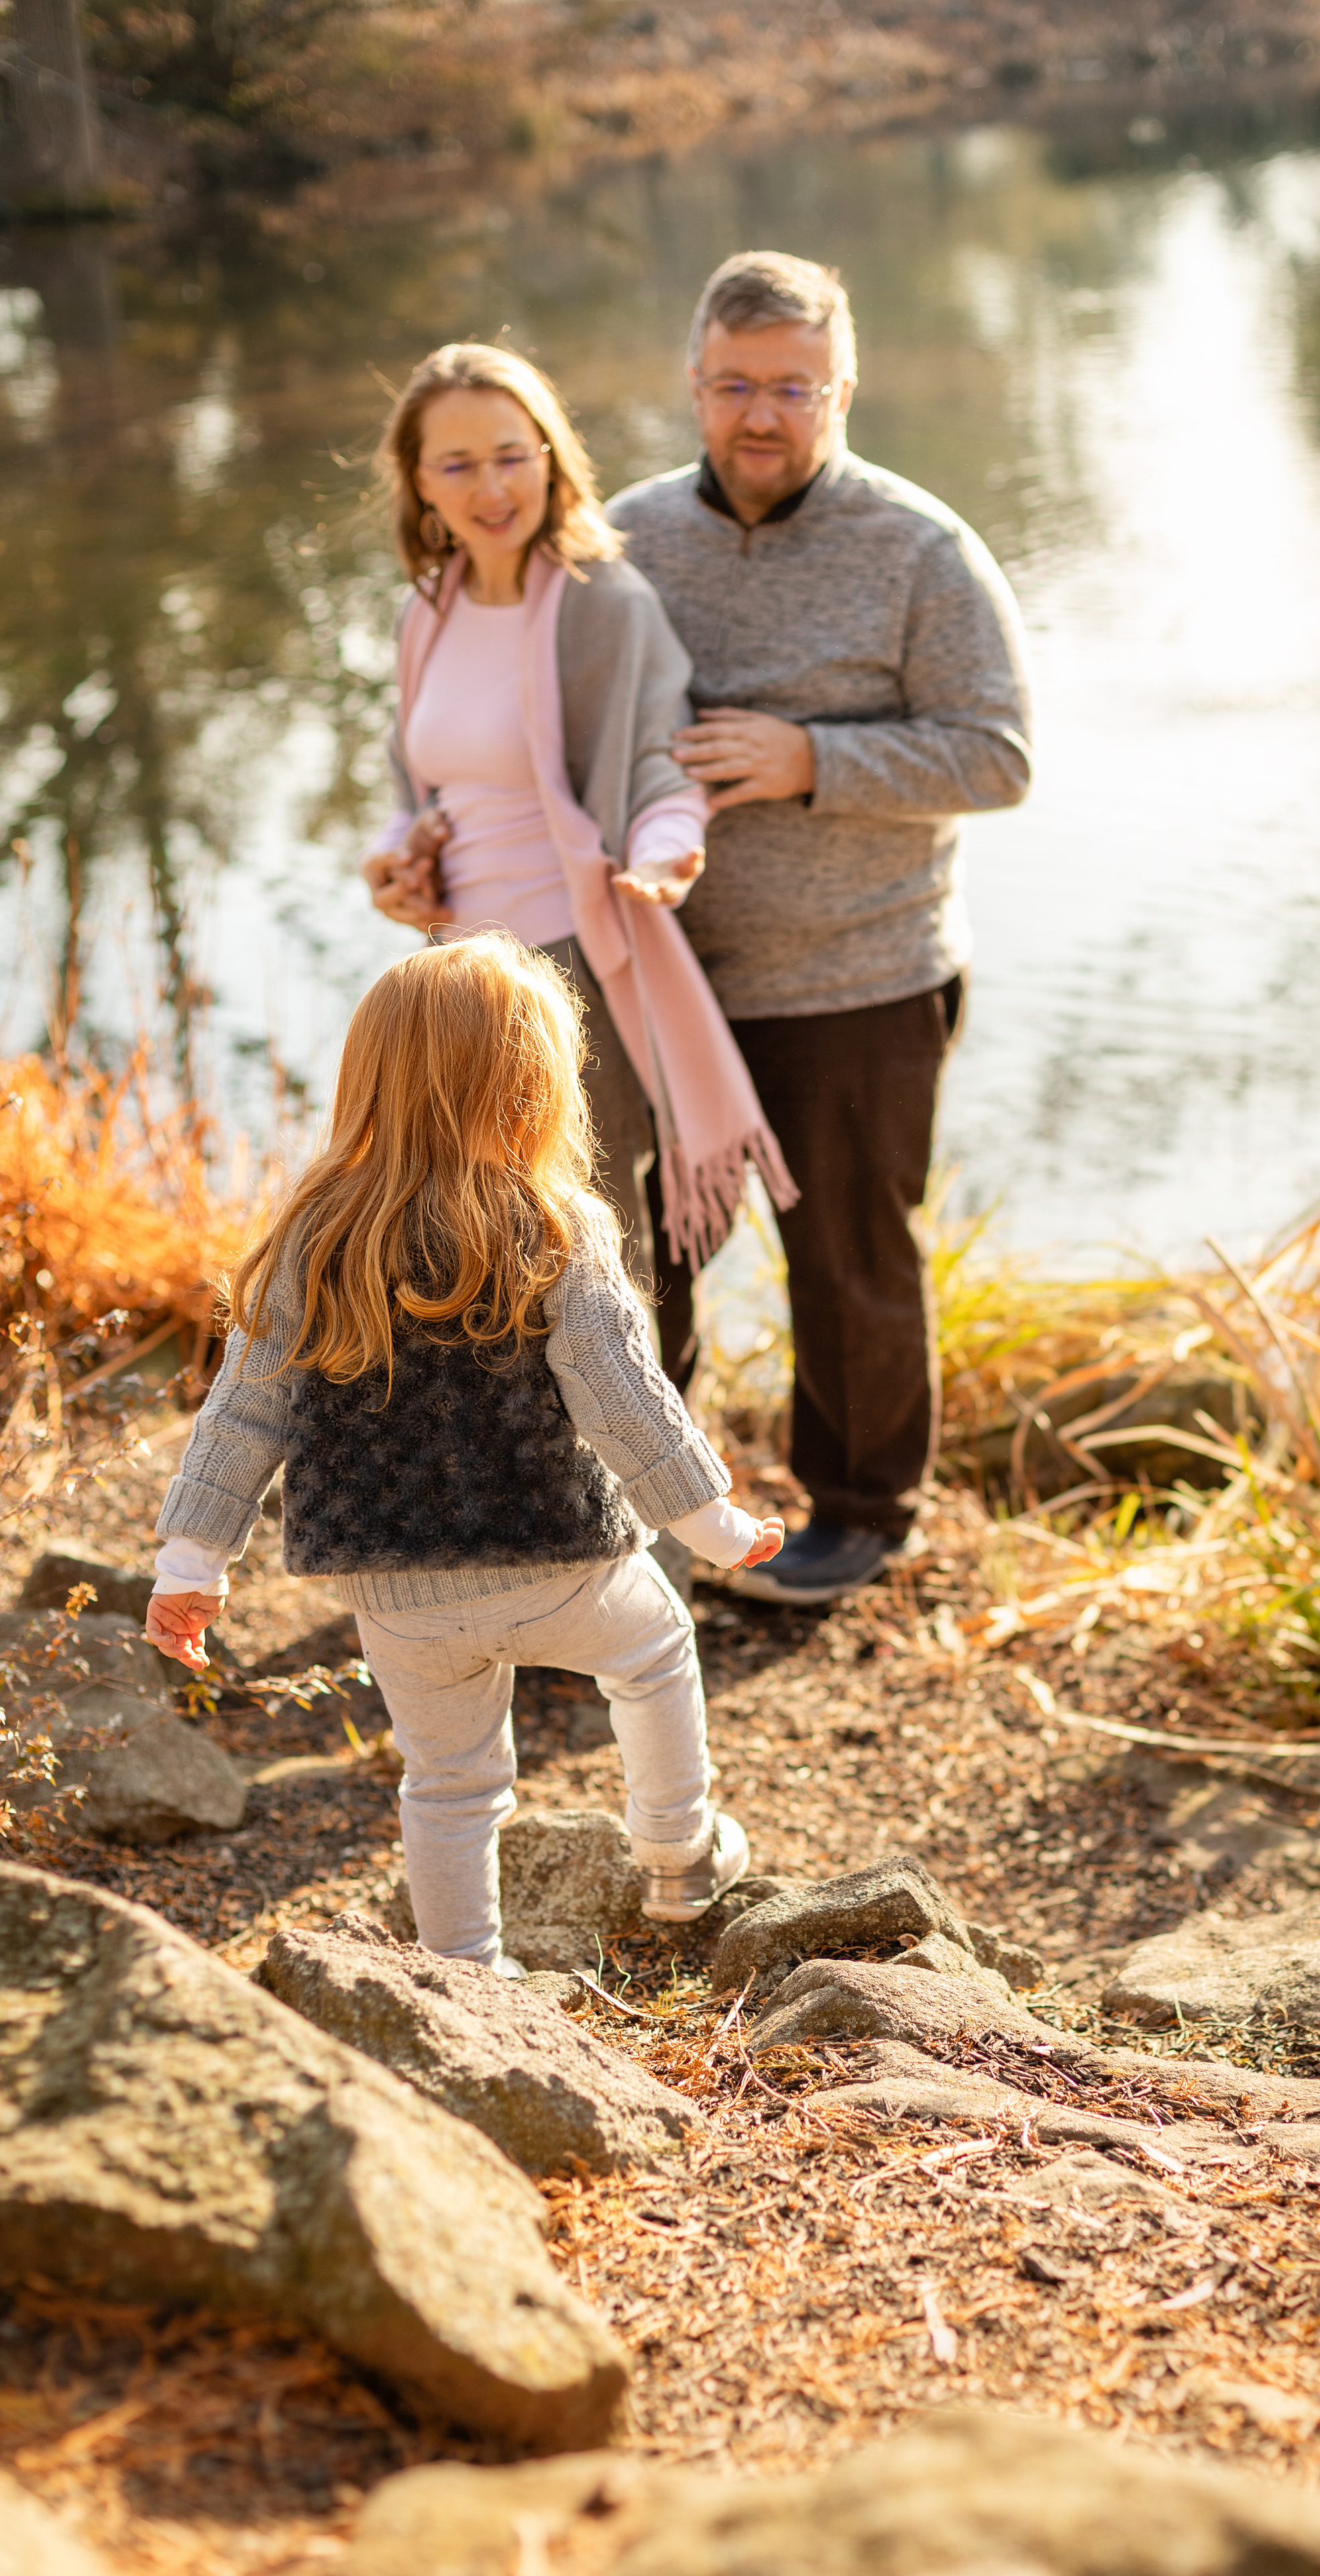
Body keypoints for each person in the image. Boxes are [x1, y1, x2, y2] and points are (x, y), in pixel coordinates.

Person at [142, 936, 784, 1960]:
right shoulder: (556, 1223)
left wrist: (191, 1562)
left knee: (448, 1783)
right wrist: (709, 1523)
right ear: (532, 1085)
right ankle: (678, 1856)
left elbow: (240, 1415)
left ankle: (463, 1978)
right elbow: (623, 1398)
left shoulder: (314, 1232)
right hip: (557, 1566)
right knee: (657, 1655)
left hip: (395, 1594)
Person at [608, 250, 1033, 1606]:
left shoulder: (918, 549)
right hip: (658, 978)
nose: (759, 415)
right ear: (693, 384)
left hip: (859, 975)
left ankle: (854, 1516)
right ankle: (655, 1508)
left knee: (848, 1261)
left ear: (842, 388)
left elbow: (998, 758)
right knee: (637, 1255)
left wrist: (810, 760)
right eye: (733, 385)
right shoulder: (618, 539)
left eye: (792, 387)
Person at [358, 340, 795, 1309]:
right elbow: (415, 795)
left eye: (512, 454)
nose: (491, 486)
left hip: (567, 968)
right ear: (420, 484)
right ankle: (516, 1456)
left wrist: (664, 851)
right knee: (473, 1229)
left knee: (595, 1236)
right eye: (459, 464)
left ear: (552, 457)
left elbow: (658, 761)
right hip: (453, 974)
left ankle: (644, 1451)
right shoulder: (424, 613)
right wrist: (393, 862)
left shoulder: (604, 604)